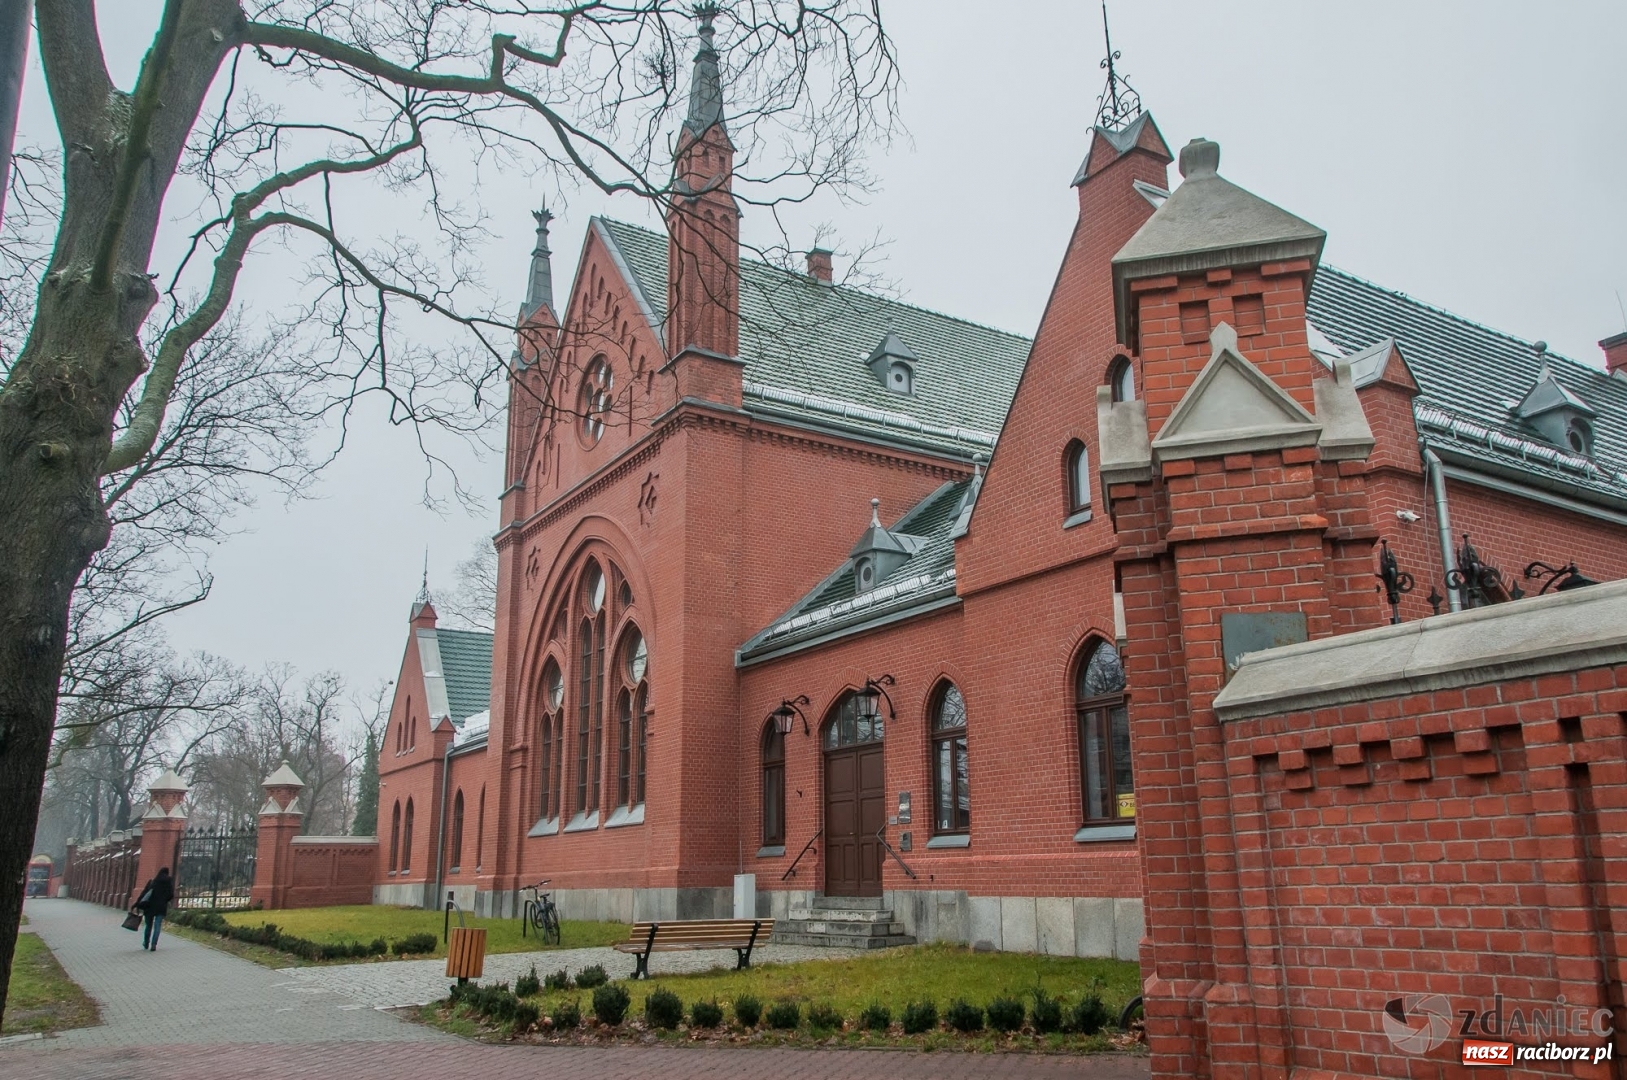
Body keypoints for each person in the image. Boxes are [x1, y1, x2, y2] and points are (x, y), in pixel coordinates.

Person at [133, 867, 175, 951]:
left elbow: (144, 894)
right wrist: (164, 900)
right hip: (161, 907)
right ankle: (154, 944)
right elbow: (171, 895)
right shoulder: (168, 882)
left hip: (149, 907)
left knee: (148, 925)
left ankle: (146, 942)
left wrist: (136, 904)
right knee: (157, 925)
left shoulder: (152, 881)